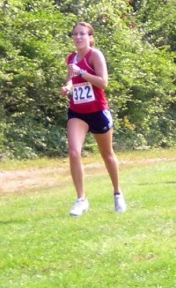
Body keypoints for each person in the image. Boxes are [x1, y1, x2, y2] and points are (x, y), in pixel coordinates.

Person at [60, 21, 126, 216]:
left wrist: (83, 72)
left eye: (82, 34)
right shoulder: (71, 58)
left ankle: (117, 194)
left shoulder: (95, 55)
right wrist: (67, 88)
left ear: (90, 37)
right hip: (78, 112)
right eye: (75, 34)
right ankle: (81, 200)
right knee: (74, 152)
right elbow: (71, 80)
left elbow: (103, 83)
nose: (78, 37)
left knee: (107, 155)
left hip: (98, 111)